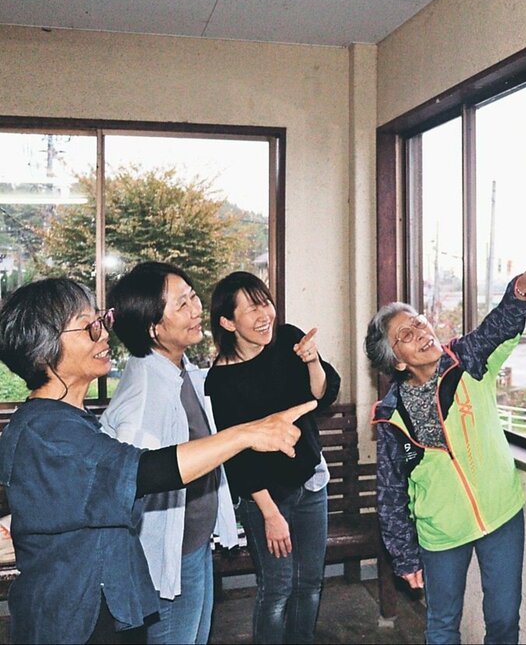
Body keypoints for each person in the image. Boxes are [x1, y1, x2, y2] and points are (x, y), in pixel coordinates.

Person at [0, 278, 315, 644]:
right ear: (44, 350)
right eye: (89, 327)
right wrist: (247, 434)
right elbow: (145, 471)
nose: (103, 336)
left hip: (110, 602)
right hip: (75, 617)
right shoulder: (46, 430)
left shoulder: (69, 420)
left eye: (101, 321)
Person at [365, 233, 526, 644]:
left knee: (504, 620)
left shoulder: (466, 361)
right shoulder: (390, 417)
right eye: (406, 334)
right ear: (397, 361)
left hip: (501, 514)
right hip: (441, 533)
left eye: (419, 321)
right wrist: (403, 555)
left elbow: (502, 322)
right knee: (441, 626)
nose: (420, 330)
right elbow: (390, 491)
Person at [99, 262, 236, 644]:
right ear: (153, 328)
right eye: (182, 304)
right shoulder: (145, 394)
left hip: (194, 542)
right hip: (169, 555)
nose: (196, 310)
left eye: (193, 297)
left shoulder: (179, 368)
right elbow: (129, 480)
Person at [205, 271, 340, 644]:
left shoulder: (289, 341)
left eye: (265, 302)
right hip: (266, 498)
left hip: (310, 482)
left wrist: (313, 362)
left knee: (310, 583)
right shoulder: (221, 380)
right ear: (228, 322)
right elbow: (236, 458)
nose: (265, 313)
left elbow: (320, 398)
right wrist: (270, 514)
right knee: (277, 589)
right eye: (251, 308)